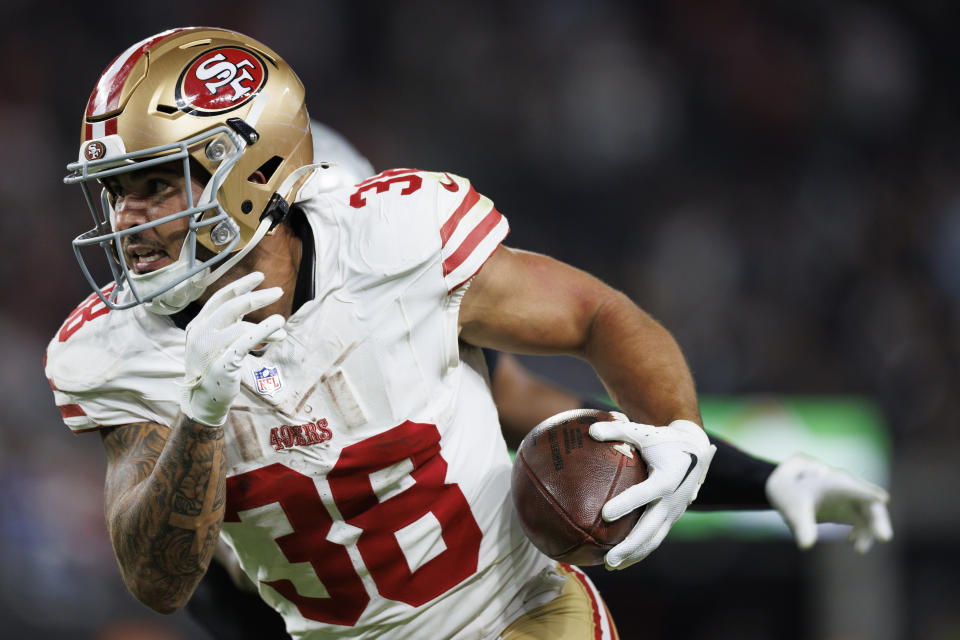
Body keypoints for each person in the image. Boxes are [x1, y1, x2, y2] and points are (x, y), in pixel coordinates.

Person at [46, 27, 891, 640]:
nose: (126, 220)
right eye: (114, 191)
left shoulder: (392, 250)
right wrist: (199, 414)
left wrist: (727, 461)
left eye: (153, 186)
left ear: (258, 178)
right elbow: (162, 580)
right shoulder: (125, 354)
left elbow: (572, 349)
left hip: (514, 616)